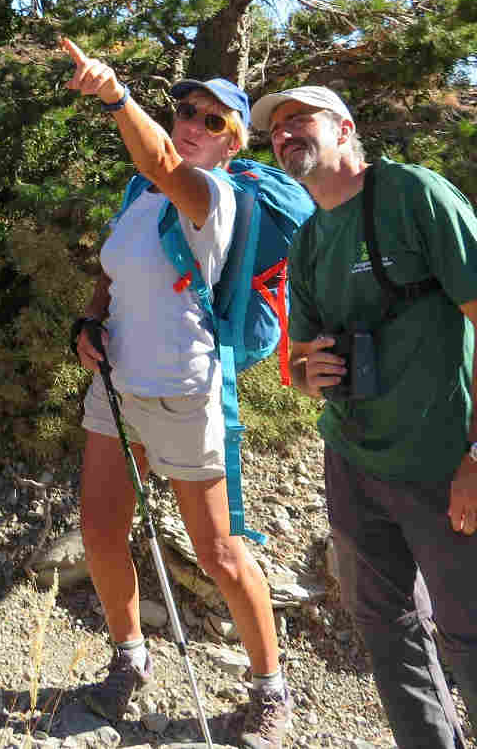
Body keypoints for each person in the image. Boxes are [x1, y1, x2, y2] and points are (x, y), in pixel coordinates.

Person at [255, 85, 477, 749]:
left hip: (441, 465)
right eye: (275, 130)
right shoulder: (309, 241)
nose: (284, 135)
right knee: (388, 634)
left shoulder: (415, 195)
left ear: (345, 126)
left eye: (298, 120)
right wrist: (312, 377)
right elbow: (303, 365)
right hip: (354, 465)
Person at [62, 39, 293, 748]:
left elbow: (161, 159)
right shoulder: (139, 196)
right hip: (117, 381)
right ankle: (129, 659)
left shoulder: (212, 195)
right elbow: (113, 268)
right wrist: (91, 320)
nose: (193, 122)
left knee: (219, 550)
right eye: (185, 109)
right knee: (101, 531)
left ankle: (270, 689)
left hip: (183, 391)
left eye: (213, 120)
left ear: (232, 145)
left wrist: (115, 97)